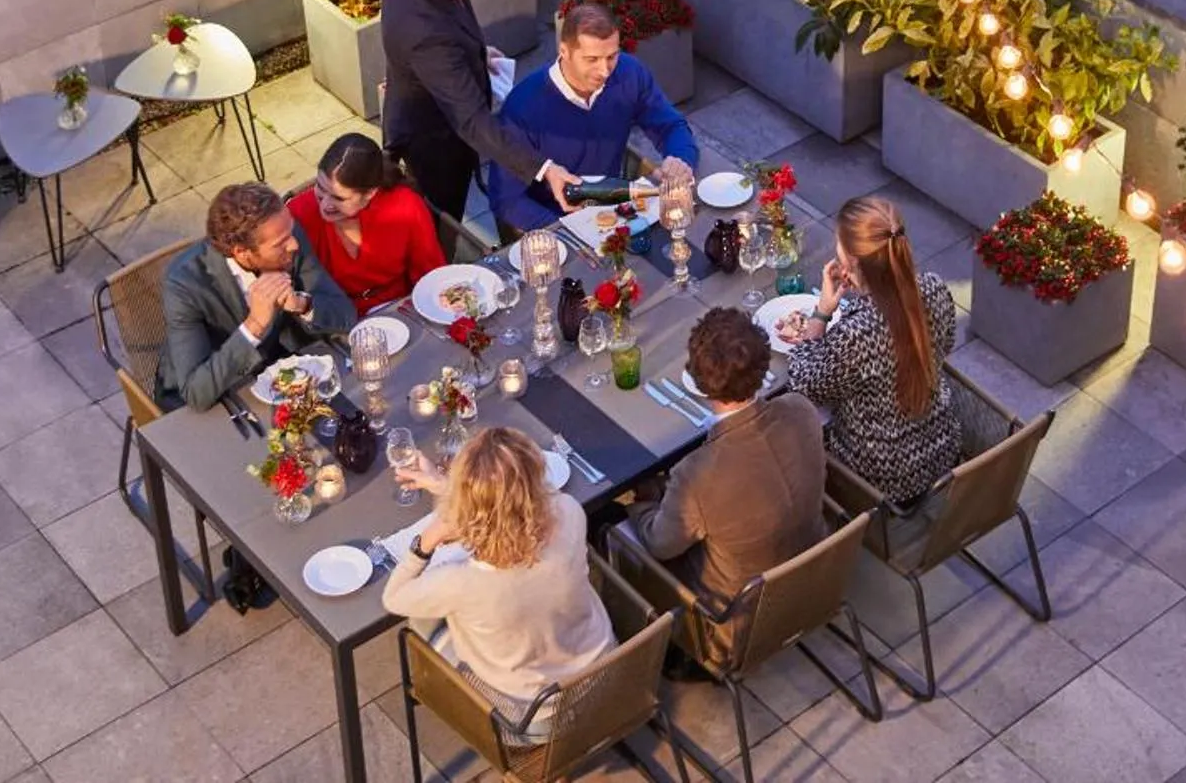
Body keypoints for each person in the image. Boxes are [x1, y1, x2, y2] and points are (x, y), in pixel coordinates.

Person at [625, 306, 825, 669]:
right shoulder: (801, 409)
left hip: (736, 621)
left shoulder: (697, 475)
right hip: (818, 576)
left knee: (615, 534)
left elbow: (659, 544)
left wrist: (637, 502)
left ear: (699, 380)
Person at [383, 426, 614, 735]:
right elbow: (515, 503)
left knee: (422, 622)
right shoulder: (570, 513)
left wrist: (427, 539)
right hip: (606, 678)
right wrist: (446, 487)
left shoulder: (462, 583)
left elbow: (394, 597)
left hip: (535, 719)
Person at [379, 0, 575, 229]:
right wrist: (544, 169)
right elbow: (471, 120)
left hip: (433, 85)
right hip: (433, 138)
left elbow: (451, 21)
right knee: (439, 225)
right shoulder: (424, 35)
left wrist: (474, 53)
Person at [780, 194, 961, 504]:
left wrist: (821, 313)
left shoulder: (855, 334)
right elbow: (945, 343)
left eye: (838, 248)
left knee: (784, 439)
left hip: (881, 481)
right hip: (943, 452)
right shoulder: (934, 287)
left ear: (851, 265)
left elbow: (804, 387)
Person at [487, 0, 699, 238]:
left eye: (612, 56)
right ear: (564, 51)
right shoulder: (522, 108)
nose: (605, 70)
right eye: (592, 59)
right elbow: (506, 200)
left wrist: (681, 160)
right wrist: (568, 232)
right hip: (553, 226)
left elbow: (671, 126)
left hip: (613, 211)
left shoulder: (629, 73)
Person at [157, 181, 356, 411]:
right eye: (280, 244)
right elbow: (197, 392)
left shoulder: (287, 236)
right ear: (241, 252)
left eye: (291, 232)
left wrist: (302, 304)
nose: (293, 244)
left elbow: (346, 315)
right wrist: (255, 326)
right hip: (216, 398)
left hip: (278, 379)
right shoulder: (184, 285)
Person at [286, 132, 447, 314]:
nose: (325, 205)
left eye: (339, 198)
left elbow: (429, 273)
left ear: (370, 193)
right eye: (321, 189)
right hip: (334, 316)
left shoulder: (406, 207)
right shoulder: (297, 213)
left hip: (400, 308)